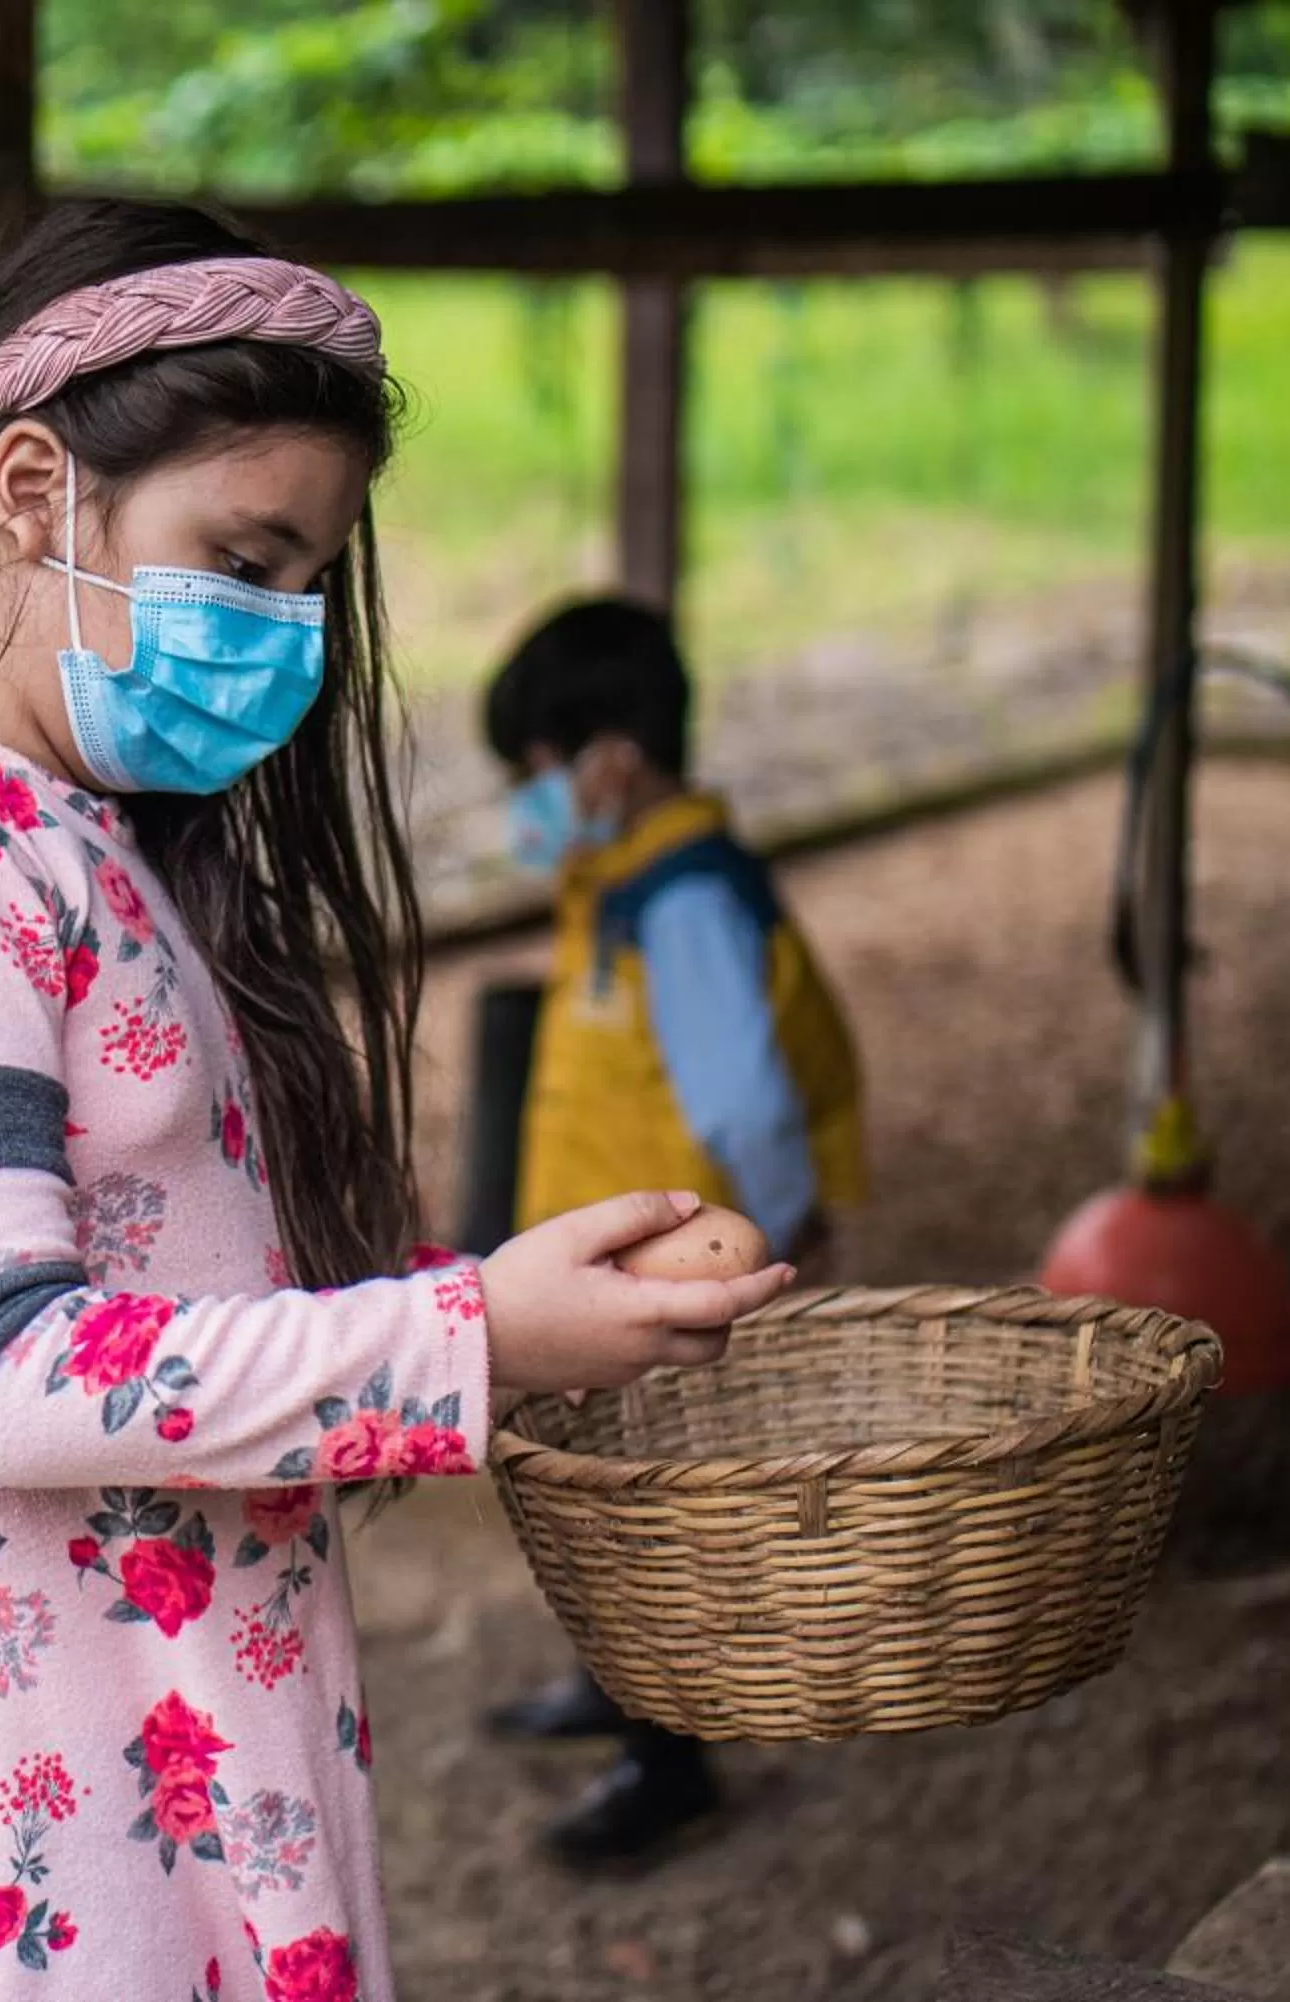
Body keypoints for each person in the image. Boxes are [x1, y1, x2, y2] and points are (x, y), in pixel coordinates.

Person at [0, 199, 795, 2002]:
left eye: (312, 581)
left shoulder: (75, 829)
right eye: (247, 558)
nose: (287, 633)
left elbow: (160, 1266)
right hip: (22, 1800)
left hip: (154, 1731)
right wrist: (470, 1335)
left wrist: (521, 1295)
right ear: (33, 491)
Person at [477, 595, 868, 1868]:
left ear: (612, 760)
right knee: (607, 1504)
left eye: (535, 774)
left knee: (661, 1517)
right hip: (613, 1279)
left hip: (670, 1285)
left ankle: (668, 1761)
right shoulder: (628, 875)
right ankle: (617, 1687)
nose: (528, 805)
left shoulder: (687, 899)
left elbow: (747, 1100)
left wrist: (785, 1227)